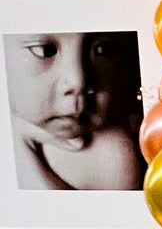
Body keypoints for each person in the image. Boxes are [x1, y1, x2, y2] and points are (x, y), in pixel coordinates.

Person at [4, 30, 144, 191]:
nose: (78, 81)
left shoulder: (109, 155)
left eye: (103, 50)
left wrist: (27, 160)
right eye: (45, 51)